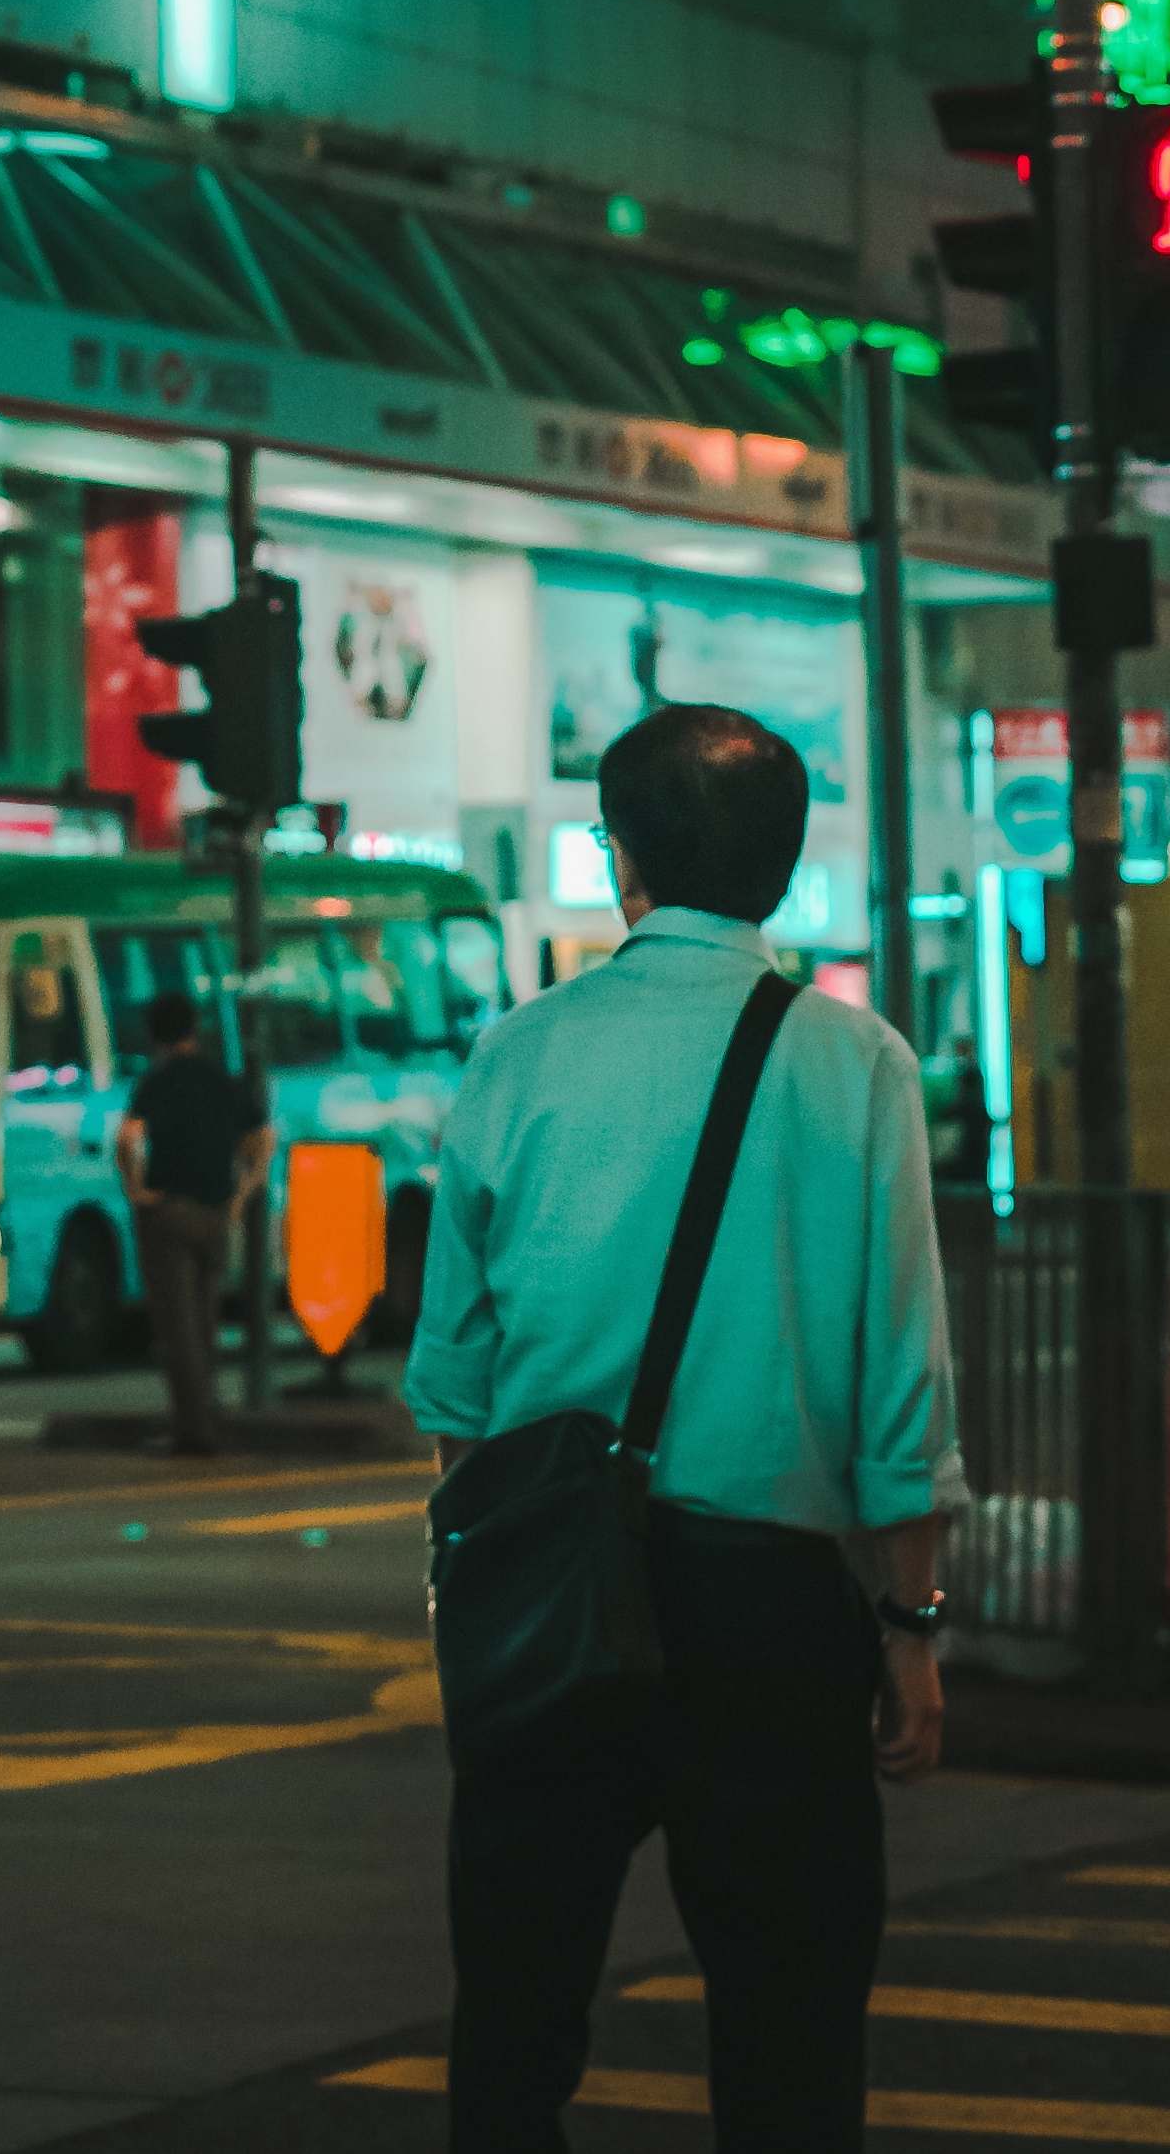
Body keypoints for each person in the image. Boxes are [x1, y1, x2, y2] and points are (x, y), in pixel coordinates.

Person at [409, 704, 954, 2154]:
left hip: (551, 1583)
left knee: (514, 2017)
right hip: (772, 1601)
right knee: (788, 2023)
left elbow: (455, 1386)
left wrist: (486, 1579)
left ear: (617, 856)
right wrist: (911, 1624)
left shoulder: (517, 1055)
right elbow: (901, 1375)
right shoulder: (856, 1065)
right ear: (781, 866)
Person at [115, 986, 266, 1454]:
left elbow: (127, 1139)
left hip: (171, 1213)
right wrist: (243, 1193)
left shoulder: (156, 1082)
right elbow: (262, 1137)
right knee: (205, 1321)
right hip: (217, 1213)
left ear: (154, 1035)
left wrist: (136, 1188)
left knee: (178, 1327)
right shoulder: (223, 1079)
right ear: (194, 1030)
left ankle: (193, 1430)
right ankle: (209, 1414)